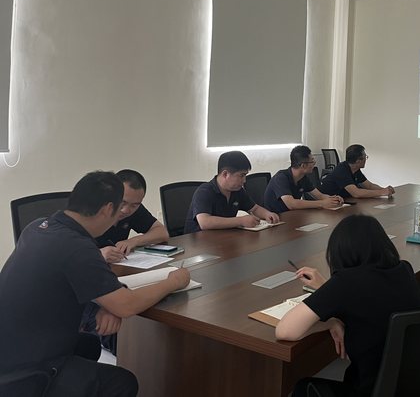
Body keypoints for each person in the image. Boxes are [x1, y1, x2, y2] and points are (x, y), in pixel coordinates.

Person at [0, 171, 190, 397]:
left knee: (89, 346)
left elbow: (78, 285)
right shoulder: (78, 247)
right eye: (119, 209)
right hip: (23, 368)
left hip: (12, 342)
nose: (121, 216)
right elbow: (126, 305)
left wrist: (107, 304)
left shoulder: (37, 226)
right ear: (108, 209)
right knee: (123, 382)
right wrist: (173, 281)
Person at [276, 214, 420, 397]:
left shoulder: (346, 282)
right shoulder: (404, 269)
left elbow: (285, 331)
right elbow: (366, 299)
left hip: (373, 390)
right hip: (415, 384)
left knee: (304, 388)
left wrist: (330, 322)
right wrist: (327, 287)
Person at [184, 150, 280, 234]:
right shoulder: (204, 191)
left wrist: (267, 214)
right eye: (241, 175)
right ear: (225, 174)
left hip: (223, 238)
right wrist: (240, 221)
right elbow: (205, 222)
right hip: (199, 242)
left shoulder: (237, 190)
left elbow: (254, 209)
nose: (244, 180)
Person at [96, 169, 170, 263]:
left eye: (134, 205)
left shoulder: (135, 209)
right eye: (123, 202)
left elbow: (162, 233)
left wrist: (134, 241)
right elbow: (76, 250)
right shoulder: (92, 211)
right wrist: (97, 254)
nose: (126, 210)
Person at [264, 145, 344, 213]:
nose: (314, 164)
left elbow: (320, 196)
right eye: (312, 162)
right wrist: (322, 203)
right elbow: (291, 204)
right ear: (303, 165)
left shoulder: (303, 178)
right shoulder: (280, 178)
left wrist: (334, 199)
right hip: (275, 218)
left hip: (293, 215)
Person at [319, 144, 394, 199]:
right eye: (365, 157)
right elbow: (356, 193)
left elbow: (369, 186)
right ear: (358, 161)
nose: (366, 159)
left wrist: (385, 190)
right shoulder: (341, 170)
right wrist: (381, 192)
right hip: (328, 203)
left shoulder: (355, 169)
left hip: (344, 200)